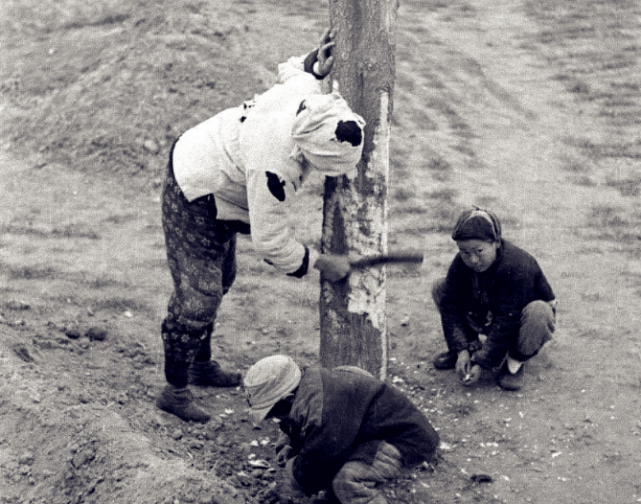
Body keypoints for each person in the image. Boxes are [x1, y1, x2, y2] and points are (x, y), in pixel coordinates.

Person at [156, 28, 367, 423]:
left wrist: (314, 63)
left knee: (221, 279)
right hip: (196, 185)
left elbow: (294, 72)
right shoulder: (275, 166)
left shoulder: (313, 102)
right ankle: (175, 390)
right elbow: (271, 244)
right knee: (199, 295)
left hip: (224, 177)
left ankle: (201, 366)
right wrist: (322, 263)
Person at [244, 355, 440, 504]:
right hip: (365, 434)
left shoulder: (323, 410)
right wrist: (288, 444)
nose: (274, 419)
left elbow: (316, 462)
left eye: (273, 412)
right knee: (330, 468)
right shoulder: (307, 385)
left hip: (405, 440)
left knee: (346, 481)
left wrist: (285, 485)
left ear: (287, 398)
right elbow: (298, 425)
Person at [431, 207, 557, 391]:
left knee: (539, 311)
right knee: (441, 288)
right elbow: (450, 307)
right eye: (464, 252)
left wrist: (483, 364)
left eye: (479, 251)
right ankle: (470, 348)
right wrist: (461, 349)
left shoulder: (518, 266)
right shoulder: (460, 263)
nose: (472, 259)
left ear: (496, 242)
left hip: (519, 323)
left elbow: (508, 320)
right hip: (489, 313)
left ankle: (514, 363)